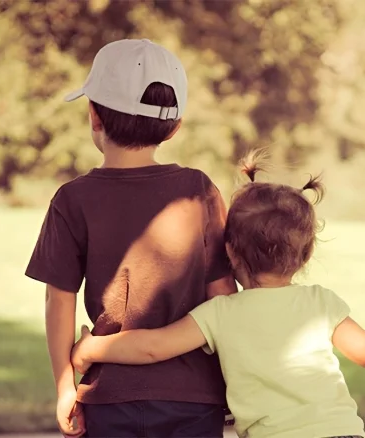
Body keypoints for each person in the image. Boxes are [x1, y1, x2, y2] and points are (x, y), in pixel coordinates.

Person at [70, 153, 365, 438]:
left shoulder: (219, 314)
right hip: (338, 433)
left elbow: (152, 347)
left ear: (229, 251)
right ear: (306, 255)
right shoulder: (319, 303)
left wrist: (92, 350)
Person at [25, 39, 237, 438]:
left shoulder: (72, 198)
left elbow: (59, 300)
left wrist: (64, 387)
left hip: (109, 399)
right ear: (174, 127)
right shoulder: (199, 190)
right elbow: (223, 294)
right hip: (195, 399)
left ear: (94, 116)